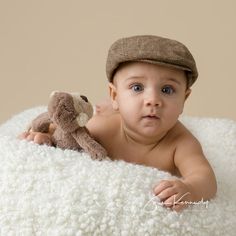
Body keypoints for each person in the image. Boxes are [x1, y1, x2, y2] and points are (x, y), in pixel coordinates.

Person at [19, 35, 217, 211]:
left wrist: (189, 189)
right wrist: (44, 137)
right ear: (115, 94)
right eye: (137, 87)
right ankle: (106, 106)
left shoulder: (181, 143)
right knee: (98, 115)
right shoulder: (104, 128)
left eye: (167, 90)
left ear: (184, 98)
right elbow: (65, 132)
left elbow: (205, 178)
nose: (153, 100)